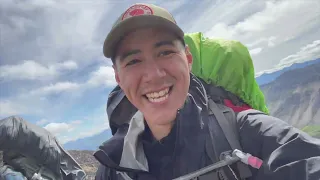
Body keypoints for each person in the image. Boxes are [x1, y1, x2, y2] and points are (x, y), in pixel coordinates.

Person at [94, 3, 320, 180]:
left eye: (164, 52)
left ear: (188, 59)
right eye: (133, 61)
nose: (153, 74)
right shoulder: (113, 168)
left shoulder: (247, 132)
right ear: (118, 78)